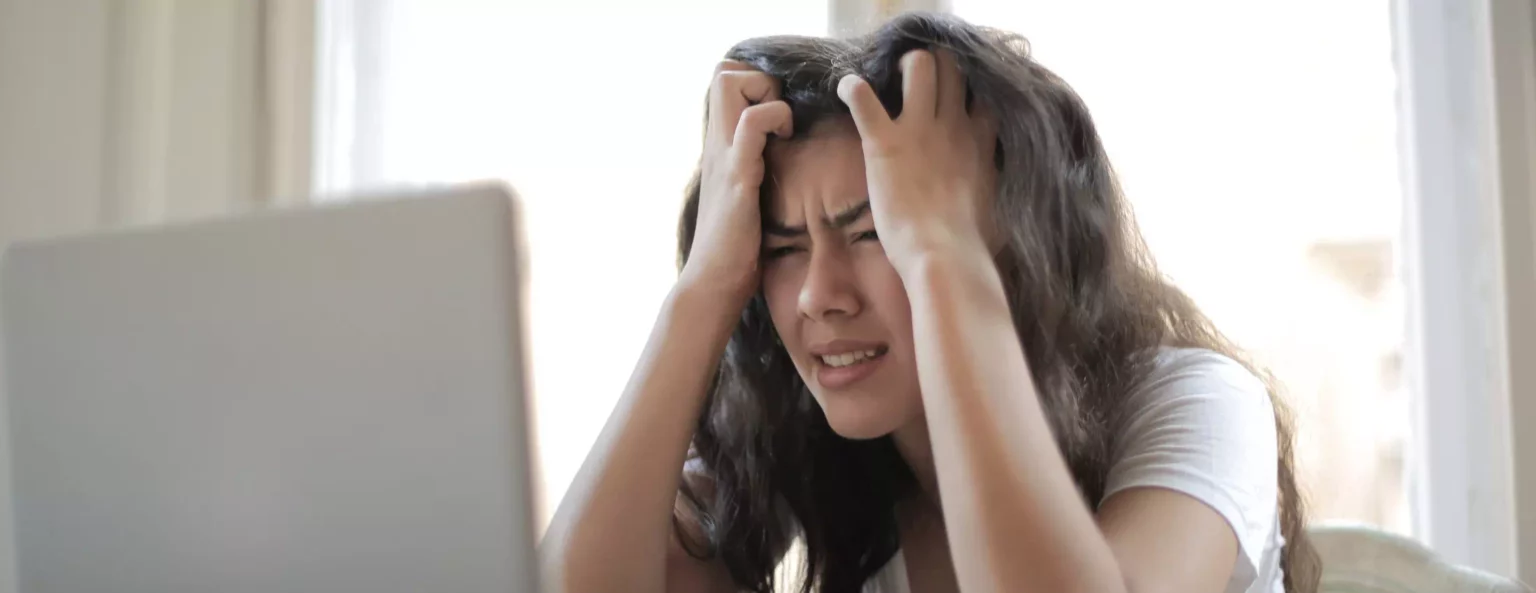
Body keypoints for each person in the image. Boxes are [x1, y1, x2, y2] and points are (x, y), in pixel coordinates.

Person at [540, 11, 1318, 593]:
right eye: (780, 249)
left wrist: (944, 257)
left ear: (1013, 240)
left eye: (877, 233)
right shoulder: (806, 437)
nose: (819, 295)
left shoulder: (1198, 402)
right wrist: (704, 286)